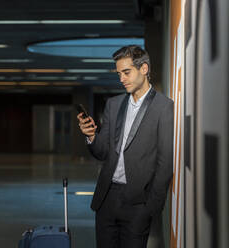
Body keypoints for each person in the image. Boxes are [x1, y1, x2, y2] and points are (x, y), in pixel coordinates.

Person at [77, 45, 174, 248]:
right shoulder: (114, 104)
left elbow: (165, 163)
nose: (121, 78)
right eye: (119, 73)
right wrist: (91, 137)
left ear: (144, 69)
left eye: (126, 72)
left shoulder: (164, 108)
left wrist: (150, 208)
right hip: (106, 199)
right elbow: (103, 152)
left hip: (138, 204)